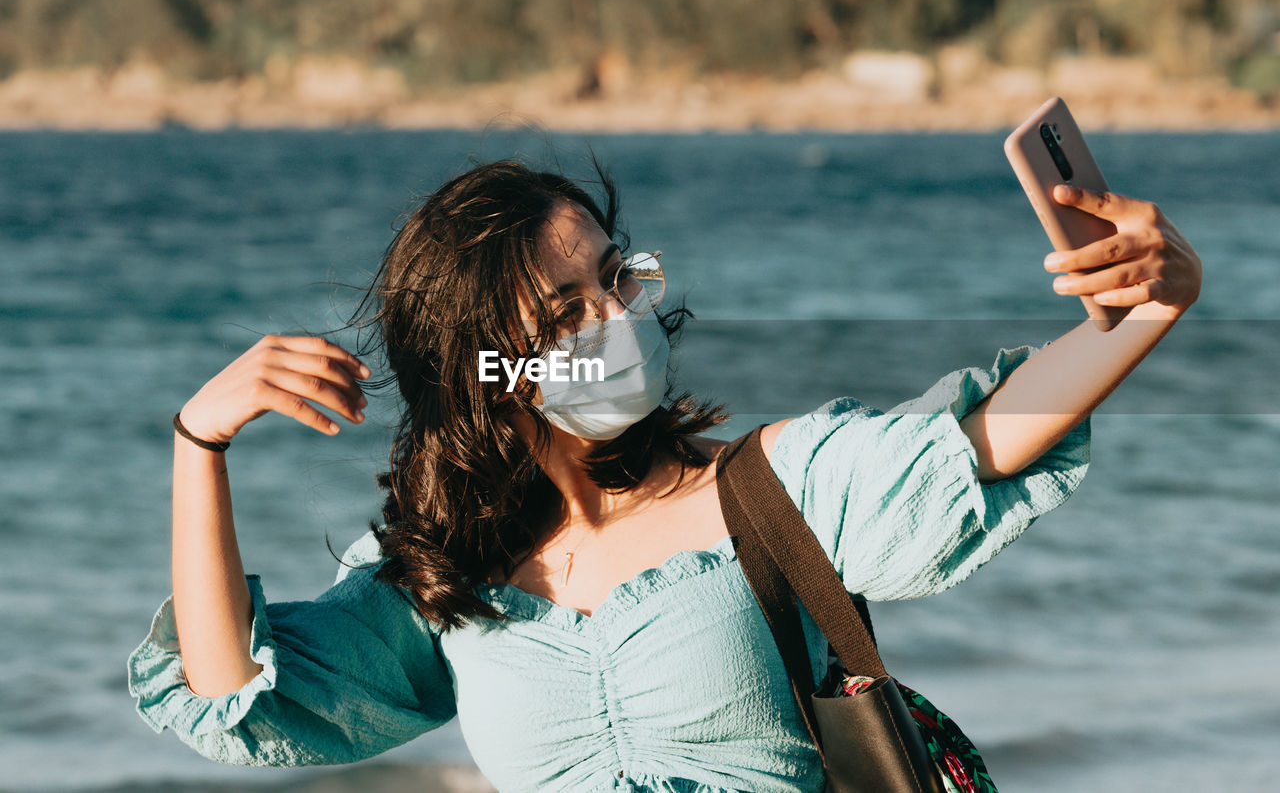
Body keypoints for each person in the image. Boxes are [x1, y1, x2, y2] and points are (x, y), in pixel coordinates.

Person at [127, 159, 1202, 792]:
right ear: (481, 369)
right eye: (565, 312)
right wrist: (200, 443)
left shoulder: (770, 490)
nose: (618, 317)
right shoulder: (449, 574)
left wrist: (1142, 309)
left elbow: (982, 440)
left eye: (614, 279)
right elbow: (231, 694)